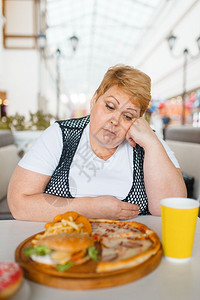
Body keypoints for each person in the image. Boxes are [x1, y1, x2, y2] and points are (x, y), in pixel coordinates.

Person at [7, 65, 187, 222]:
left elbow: (171, 208)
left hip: (131, 249)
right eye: (110, 106)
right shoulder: (61, 135)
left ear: (139, 121)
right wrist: (89, 208)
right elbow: (19, 203)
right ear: (94, 100)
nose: (115, 120)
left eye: (128, 116)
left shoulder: (150, 142)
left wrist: (152, 144)